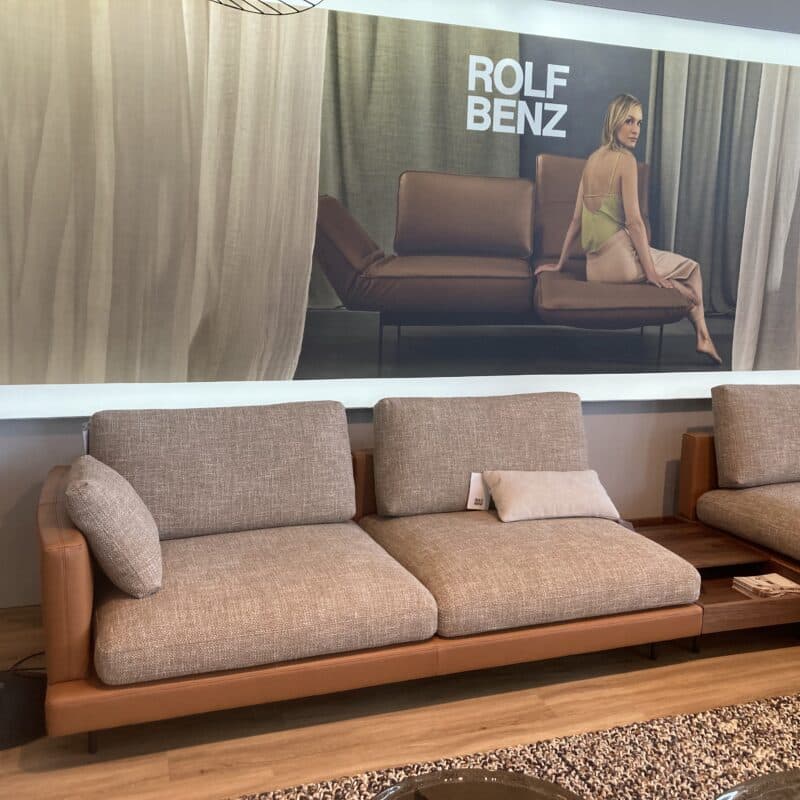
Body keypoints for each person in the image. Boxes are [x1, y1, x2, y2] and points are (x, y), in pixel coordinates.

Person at [534, 93, 722, 365]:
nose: (636, 130)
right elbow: (634, 222)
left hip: (594, 270)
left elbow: (576, 220)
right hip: (622, 265)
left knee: (670, 273)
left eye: (639, 123)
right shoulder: (626, 161)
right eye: (629, 121)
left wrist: (559, 264)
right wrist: (651, 272)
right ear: (614, 122)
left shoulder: (591, 160)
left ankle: (677, 291)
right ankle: (702, 335)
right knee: (692, 269)